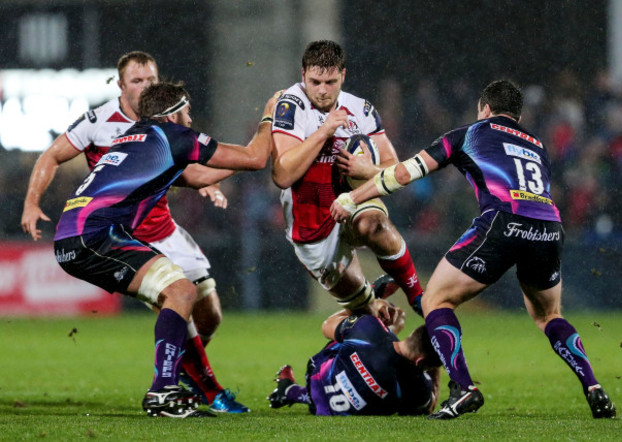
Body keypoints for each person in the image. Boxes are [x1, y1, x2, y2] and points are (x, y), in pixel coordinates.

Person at [330, 79, 616, 420]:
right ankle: (594, 387)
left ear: (484, 109)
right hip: (549, 228)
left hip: (503, 221)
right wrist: (373, 171)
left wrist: (353, 196)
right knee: (549, 315)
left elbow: (406, 174)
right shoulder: (537, 145)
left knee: (436, 299)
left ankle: (464, 387)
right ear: (517, 116)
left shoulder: (470, 133)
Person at [20, 51, 246, 413]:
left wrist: (207, 183)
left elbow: (185, 169)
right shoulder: (98, 120)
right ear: (121, 84)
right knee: (175, 296)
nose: (145, 87)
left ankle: (180, 373)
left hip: (164, 229)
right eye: (137, 81)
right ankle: (194, 386)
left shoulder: (166, 124)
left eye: (151, 81)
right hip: (119, 232)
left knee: (209, 314)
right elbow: (51, 156)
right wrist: (32, 202)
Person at [52, 81, 278, 417]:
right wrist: (270, 118)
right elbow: (256, 158)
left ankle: (190, 388)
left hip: (78, 233)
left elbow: (200, 176)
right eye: (186, 111)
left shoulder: (134, 138)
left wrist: (246, 158)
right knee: (182, 291)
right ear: (172, 114)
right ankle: (162, 393)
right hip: (94, 234)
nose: (190, 119)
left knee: (177, 296)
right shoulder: (174, 136)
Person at [271, 40, 424, 318]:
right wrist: (323, 132)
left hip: (354, 205)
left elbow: (396, 169)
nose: (322, 90)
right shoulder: (290, 106)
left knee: (374, 224)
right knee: (367, 316)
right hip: (312, 228)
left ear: (343, 75)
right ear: (303, 74)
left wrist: (367, 171)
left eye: (330, 82)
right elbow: (282, 175)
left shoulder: (361, 109)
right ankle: (368, 305)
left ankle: (420, 299)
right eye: (315, 81)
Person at [267, 303, 441, 415]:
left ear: (412, 334)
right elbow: (430, 404)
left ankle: (367, 296)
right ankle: (292, 391)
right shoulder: (417, 389)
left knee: (354, 332)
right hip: (328, 409)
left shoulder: (368, 328)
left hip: (317, 381)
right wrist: (435, 363)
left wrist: (368, 303)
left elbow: (327, 325)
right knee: (374, 340)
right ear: (421, 361)